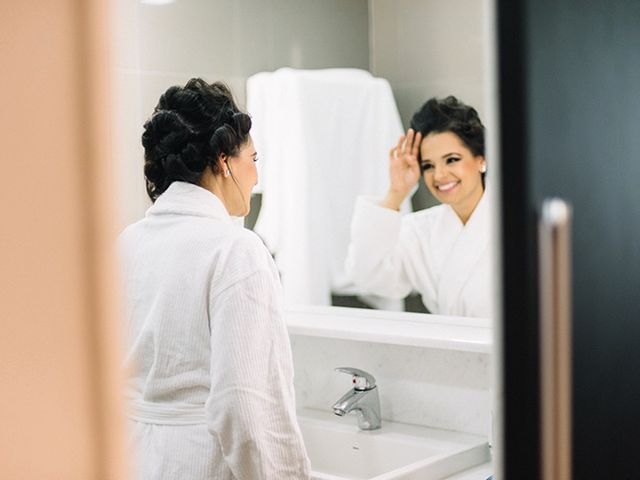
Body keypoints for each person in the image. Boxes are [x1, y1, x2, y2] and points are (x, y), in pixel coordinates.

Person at [118, 78, 311, 479]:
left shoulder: (128, 243)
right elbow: (244, 405)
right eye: (253, 160)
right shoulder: (236, 250)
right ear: (224, 161)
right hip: (200, 463)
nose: (256, 177)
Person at [345, 96, 493, 318]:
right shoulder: (420, 230)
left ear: (481, 159)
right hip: (447, 349)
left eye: (452, 159)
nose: (440, 175)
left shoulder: (519, 221)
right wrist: (396, 192)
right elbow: (367, 276)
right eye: (428, 165)